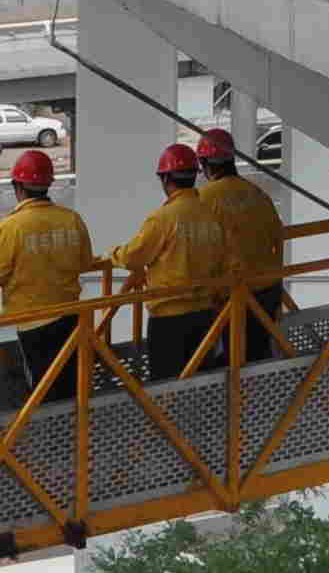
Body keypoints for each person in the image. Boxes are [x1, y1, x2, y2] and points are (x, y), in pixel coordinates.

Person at [110, 139, 233, 382]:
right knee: (202, 384)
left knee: (166, 388)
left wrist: (112, 255)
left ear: (166, 179)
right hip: (205, 314)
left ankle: (170, 422)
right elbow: (223, 259)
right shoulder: (210, 214)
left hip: (169, 319)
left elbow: (135, 256)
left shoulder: (163, 218)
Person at [0, 148, 92, 404]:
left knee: (42, 389)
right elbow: (85, 262)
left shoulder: (12, 226)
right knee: (70, 383)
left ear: (17, 187)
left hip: (33, 320)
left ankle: (52, 437)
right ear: (47, 185)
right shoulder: (71, 219)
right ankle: (77, 434)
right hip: (70, 315)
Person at [193, 125, 288, 360]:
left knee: (233, 361)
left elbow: (198, 249)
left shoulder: (203, 199)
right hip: (267, 290)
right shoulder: (257, 194)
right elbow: (278, 238)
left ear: (204, 164)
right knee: (259, 356)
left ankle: (240, 395)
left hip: (231, 296)